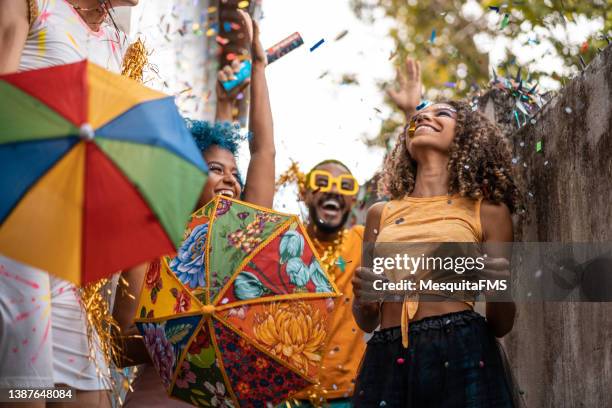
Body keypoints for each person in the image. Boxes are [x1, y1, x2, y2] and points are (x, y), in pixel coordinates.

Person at [112, 10, 275, 407]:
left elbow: (264, 151)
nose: (230, 180)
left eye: (234, 174)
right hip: (159, 396)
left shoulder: (242, 239)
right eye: (215, 169)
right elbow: (119, 344)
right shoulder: (151, 243)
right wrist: (185, 329)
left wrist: (258, 67)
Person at [351, 57, 523, 407]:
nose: (424, 118)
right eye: (417, 118)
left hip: (462, 350)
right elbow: (366, 320)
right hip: (388, 355)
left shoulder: (488, 211)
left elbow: (501, 323)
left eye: (441, 114)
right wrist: (365, 298)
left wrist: (500, 287)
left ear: (466, 138)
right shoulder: (379, 213)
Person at [0, 1, 137, 407]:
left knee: (89, 393)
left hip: (62, 235)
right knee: (27, 388)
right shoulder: (34, 3)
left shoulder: (117, 40)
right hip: (17, 211)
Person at [277, 159, 365, 407]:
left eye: (345, 186)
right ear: (304, 194)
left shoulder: (362, 240)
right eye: (321, 182)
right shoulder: (285, 243)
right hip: (289, 395)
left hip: (347, 395)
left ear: (353, 200)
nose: (333, 190)